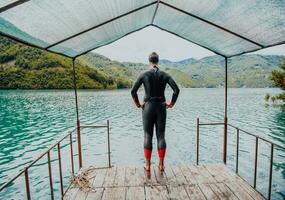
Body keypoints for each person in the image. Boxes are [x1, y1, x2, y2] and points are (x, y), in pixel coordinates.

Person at [131, 52, 180, 172]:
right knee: (161, 136)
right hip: (161, 107)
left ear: (149, 61)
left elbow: (133, 91)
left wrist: (138, 105)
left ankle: (147, 165)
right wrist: (171, 104)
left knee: (148, 135)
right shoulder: (165, 75)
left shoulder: (144, 75)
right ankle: (161, 164)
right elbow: (176, 90)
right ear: (158, 61)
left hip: (147, 107)